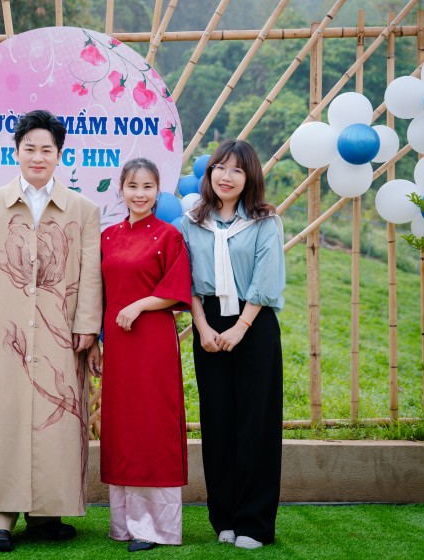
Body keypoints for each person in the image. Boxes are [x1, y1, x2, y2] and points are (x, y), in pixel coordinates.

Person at [0, 109, 102, 552]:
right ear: (17, 152)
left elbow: (90, 273)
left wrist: (87, 325)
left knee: (57, 416)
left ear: (59, 155)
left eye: (47, 149)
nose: (38, 157)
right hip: (8, 331)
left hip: (61, 331)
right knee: (5, 416)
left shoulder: (83, 209)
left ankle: (47, 514)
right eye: (30, 149)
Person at [178, 139, 285, 550]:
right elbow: (187, 281)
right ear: (209, 174)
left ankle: (253, 523)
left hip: (254, 324)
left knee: (256, 424)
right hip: (208, 325)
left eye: (237, 170)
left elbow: (266, 277)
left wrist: (241, 327)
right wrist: (202, 327)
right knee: (218, 422)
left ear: (249, 177)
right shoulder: (191, 223)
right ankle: (224, 517)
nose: (226, 176)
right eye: (219, 168)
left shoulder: (264, 221)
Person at [86, 158, 192, 552]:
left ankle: (156, 528)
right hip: (117, 346)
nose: (140, 194)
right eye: (133, 186)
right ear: (121, 190)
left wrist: (140, 305)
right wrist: (94, 341)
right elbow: (97, 294)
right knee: (123, 426)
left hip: (153, 345)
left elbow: (178, 289)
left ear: (158, 190)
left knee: (153, 425)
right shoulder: (108, 236)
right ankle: (125, 524)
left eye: (148, 187)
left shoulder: (169, 236)